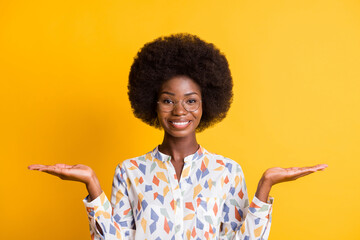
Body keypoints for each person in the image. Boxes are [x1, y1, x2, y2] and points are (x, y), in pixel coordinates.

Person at [28, 33, 327, 240]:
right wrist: (92, 183)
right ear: (153, 103)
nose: (180, 111)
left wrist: (265, 186)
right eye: (168, 100)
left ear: (206, 103)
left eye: (191, 100)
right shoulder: (129, 171)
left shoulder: (228, 172)